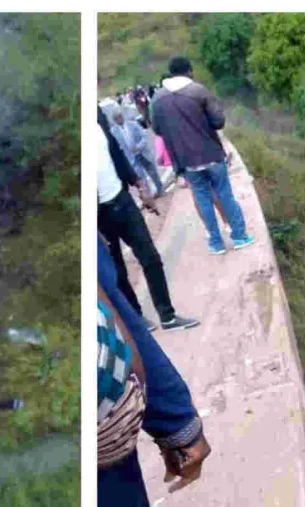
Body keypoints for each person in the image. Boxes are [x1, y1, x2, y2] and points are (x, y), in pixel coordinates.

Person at [97, 238, 211, 507]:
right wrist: (176, 421)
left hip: (103, 420)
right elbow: (113, 311)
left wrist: (176, 421)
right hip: (103, 421)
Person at [97, 107, 198, 332]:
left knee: (150, 257)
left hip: (122, 200)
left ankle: (168, 316)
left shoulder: (97, 116)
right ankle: (138, 320)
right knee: (118, 271)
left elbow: (115, 153)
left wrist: (140, 186)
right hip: (98, 216)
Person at [151, 56, 254, 255]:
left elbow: (157, 129)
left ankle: (216, 244)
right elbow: (218, 121)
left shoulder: (157, 99)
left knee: (202, 199)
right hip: (210, 154)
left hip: (186, 161)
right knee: (225, 194)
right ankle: (240, 236)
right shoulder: (198, 91)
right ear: (189, 71)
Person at [110, 104, 165, 198]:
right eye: (117, 118)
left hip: (143, 153)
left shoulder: (133, 124)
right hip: (132, 158)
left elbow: (144, 136)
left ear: (122, 115)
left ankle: (161, 190)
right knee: (141, 177)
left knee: (153, 173)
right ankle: (149, 196)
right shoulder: (113, 131)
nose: (120, 118)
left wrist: (139, 146)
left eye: (120, 116)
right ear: (114, 120)